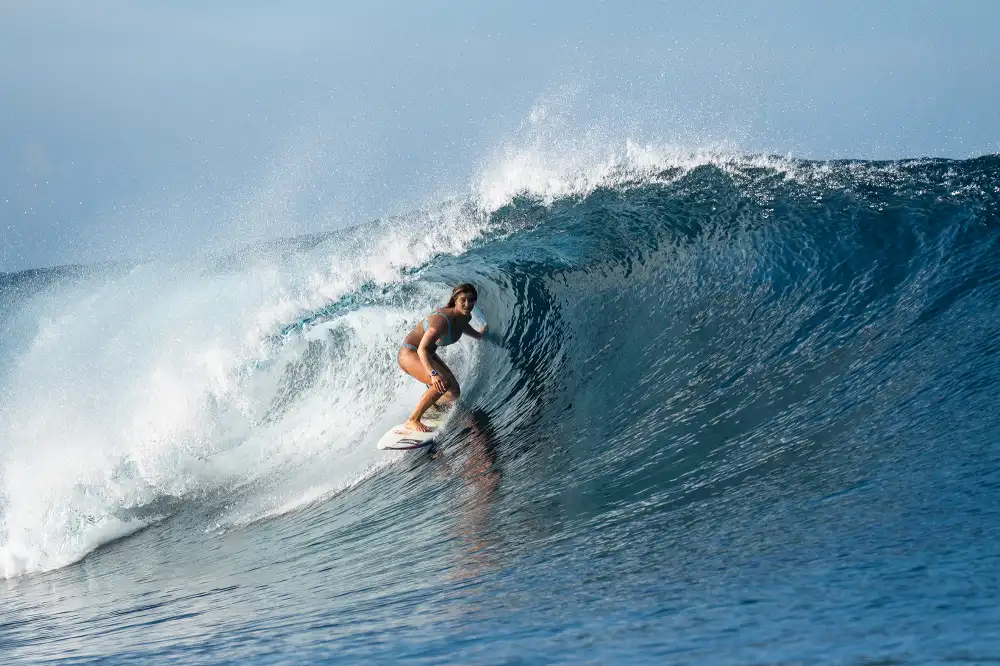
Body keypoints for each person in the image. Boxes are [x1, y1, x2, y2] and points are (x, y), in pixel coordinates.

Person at [397, 283, 486, 432]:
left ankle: (432, 403)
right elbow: (422, 349)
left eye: (471, 300)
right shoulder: (441, 321)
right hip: (410, 353)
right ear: (455, 300)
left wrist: (481, 332)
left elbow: (470, 331)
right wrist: (433, 374)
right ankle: (412, 419)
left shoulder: (464, 317)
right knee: (442, 382)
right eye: (463, 300)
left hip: (429, 353)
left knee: (454, 391)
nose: (467, 304)